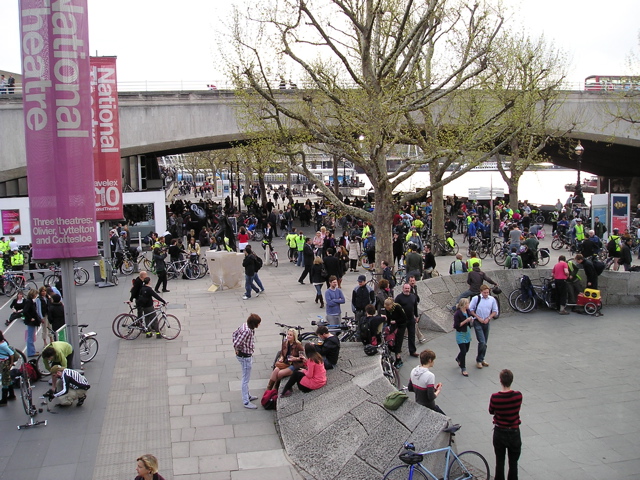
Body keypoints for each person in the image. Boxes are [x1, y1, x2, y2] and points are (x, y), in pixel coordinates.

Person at [489, 369, 523, 480]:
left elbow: (491, 411)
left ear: (500, 381)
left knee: (500, 461)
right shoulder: (518, 395)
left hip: (500, 432)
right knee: (513, 463)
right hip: (514, 432)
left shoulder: (495, 397)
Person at [232, 313, 262, 409]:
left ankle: (248, 395)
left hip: (245, 354)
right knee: (245, 379)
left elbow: (234, 334)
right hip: (245, 356)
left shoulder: (244, 325)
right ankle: (246, 401)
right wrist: (238, 349)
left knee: (246, 377)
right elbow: (237, 343)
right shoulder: (247, 331)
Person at [469, 285, 499, 369]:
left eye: (487, 292)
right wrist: (478, 317)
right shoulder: (476, 298)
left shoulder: (492, 299)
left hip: (486, 321)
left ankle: (482, 358)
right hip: (478, 321)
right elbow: (471, 310)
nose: (486, 294)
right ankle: (478, 360)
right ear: (481, 292)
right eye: (484, 292)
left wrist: (488, 318)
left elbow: (495, 311)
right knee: (481, 341)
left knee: (485, 343)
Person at [409, 349, 444, 414]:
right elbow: (431, 397)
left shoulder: (413, 371)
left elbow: (410, 388)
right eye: (433, 360)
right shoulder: (430, 376)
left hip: (418, 403)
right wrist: (438, 390)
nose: (433, 362)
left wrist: (432, 389)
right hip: (430, 406)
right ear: (430, 360)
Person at [395, 283, 420, 358]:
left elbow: (415, 307)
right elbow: (395, 309)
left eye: (408, 288)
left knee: (412, 335)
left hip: (411, 319)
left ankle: (412, 351)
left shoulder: (413, 297)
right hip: (402, 320)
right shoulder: (398, 298)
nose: (407, 290)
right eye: (405, 288)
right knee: (400, 336)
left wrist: (417, 316)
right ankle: (398, 351)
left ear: (410, 289)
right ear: (403, 289)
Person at [453, 298, 473, 377]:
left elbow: (470, 318)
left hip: (467, 332)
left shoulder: (468, 311)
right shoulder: (457, 314)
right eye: (468, 303)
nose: (469, 305)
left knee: (467, 349)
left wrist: (471, 320)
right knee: (463, 351)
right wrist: (466, 321)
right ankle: (463, 368)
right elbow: (456, 326)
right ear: (464, 305)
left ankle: (458, 358)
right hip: (460, 334)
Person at [0, 331, 17, 406]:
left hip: (4, 364)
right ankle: (12, 395)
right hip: (4, 362)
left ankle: (4, 400)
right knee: (8, 378)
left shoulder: (2, 345)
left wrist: (11, 363)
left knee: (4, 380)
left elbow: (11, 353)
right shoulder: (3, 342)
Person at [22, 289, 41, 357]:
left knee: (31, 336)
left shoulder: (30, 301)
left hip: (31, 321)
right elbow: (25, 311)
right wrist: (30, 318)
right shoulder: (29, 302)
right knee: (30, 337)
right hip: (31, 322)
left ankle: (32, 350)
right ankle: (31, 352)